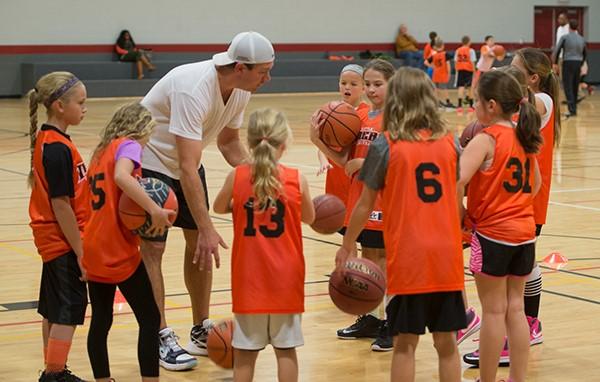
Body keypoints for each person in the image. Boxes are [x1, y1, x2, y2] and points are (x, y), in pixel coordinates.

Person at [139, 31, 275, 371]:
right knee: (153, 249)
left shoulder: (240, 90)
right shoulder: (193, 87)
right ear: (241, 67)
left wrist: (259, 178)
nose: (268, 79)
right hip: (148, 161)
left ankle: (200, 328)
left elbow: (229, 144)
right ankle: (158, 335)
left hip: (184, 164)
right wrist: (208, 224)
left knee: (200, 243)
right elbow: (186, 166)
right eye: (263, 71)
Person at [336, 67, 466, 382]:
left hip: (410, 256)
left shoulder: (387, 143)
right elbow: (459, 196)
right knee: (447, 342)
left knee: (405, 344)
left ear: (396, 99)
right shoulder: (450, 142)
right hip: (447, 255)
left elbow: (365, 203)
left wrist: (347, 244)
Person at [213, 108, 315, 382]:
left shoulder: (238, 176)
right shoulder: (296, 178)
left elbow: (219, 206)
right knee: (285, 351)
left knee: (246, 354)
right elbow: (309, 216)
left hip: (250, 279)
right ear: (284, 144)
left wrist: (242, 204)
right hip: (286, 278)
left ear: (250, 142)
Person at [458, 70, 542, 382]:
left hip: (493, 234)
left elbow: (456, 180)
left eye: (476, 101)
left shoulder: (485, 139)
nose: (473, 106)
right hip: (524, 234)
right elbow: (535, 185)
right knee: (516, 310)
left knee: (493, 311)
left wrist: (461, 214)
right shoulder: (524, 135)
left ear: (491, 105)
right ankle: (518, 379)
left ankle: (487, 379)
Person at [83, 102, 174, 382]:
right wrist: (154, 209)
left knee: (101, 320)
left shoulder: (100, 152)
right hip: (116, 248)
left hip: (93, 243)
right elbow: (123, 177)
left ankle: (103, 379)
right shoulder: (130, 145)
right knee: (149, 318)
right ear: (142, 129)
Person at [311, 59, 395, 351]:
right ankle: (372, 317)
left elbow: (401, 161)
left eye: (376, 84)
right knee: (369, 257)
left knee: (383, 259)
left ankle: (392, 324)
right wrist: (318, 141)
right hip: (363, 198)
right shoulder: (363, 119)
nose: (370, 90)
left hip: (385, 199)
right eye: (368, 84)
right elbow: (347, 165)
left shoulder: (394, 119)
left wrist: (367, 161)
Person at [28, 72, 89, 382]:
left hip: (55, 238)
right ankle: (54, 374)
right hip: (62, 239)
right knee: (68, 309)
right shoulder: (56, 148)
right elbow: (61, 204)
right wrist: (80, 250)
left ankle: (53, 369)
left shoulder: (54, 140)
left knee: (54, 308)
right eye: (80, 103)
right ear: (59, 106)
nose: (85, 108)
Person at [316, 64, 367, 209]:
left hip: (356, 178)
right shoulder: (330, 112)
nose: (347, 87)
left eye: (353, 84)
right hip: (336, 178)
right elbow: (324, 147)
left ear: (364, 88)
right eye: (343, 83)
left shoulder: (366, 114)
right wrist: (323, 161)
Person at [552, 19, 586, 118]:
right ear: (577, 27)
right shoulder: (582, 39)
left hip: (567, 62)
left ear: (569, 26)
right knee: (575, 86)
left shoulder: (565, 37)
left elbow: (557, 50)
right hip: (578, 63)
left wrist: (555, 63)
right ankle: (574, 109)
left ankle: (571, 110)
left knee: (568, 86)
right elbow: (585, 54)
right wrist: (581, 63)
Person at [426, 38, 453, 108]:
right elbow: (448, 65)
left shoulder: (434, 55)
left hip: (436, 74)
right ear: (443, 46)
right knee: (444, 88)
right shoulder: (445, 54)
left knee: (436, 88)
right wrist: (449, 73)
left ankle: (436, 101)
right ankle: (448, 102)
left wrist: (433, 66)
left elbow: (425, 62)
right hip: (442, 73)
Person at [454, 35, 476, 114]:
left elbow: (455, 61)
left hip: (460, 70)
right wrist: (474, 71)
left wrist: (457, 69)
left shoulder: (458, 50)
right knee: (470, 88)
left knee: (461, 87)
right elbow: (472, 62)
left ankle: (459, 106)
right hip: (468, 70)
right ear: (468, 42)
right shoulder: (471, 50)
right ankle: (471, 107)